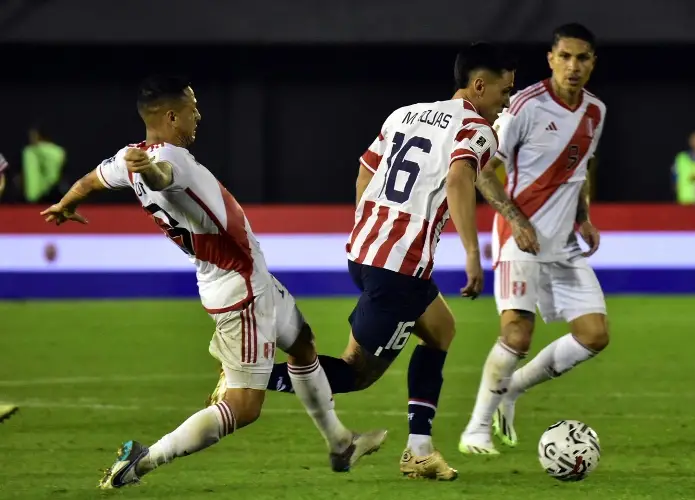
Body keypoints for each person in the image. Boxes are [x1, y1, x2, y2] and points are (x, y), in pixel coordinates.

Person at [39, 75, 386, 490]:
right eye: (192, 108)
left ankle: (339, 443)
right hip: (242, 292)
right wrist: (150, 169)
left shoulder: (128, 158)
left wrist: (68, 202)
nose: (198, 115)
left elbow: (95, 178)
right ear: (171, 116)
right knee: (243, 406)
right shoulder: (167, 159)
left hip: (246, 279)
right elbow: (164, 177)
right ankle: (141, 461)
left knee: (303, 344)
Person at [208, 42, 517, 480]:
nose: (506, 101)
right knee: (356, 374)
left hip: (364, 251)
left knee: (441, 330)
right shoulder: (479, 130)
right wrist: (471, 253)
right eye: (504, 91)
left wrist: (371, 225)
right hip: (399, 268)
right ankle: (249, 377)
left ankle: (419, 450)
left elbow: (365, 171)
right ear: (479, 86)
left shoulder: (405, 113)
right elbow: (459, 179)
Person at [458, 23, 610, 455]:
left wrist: (584, 217)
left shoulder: (596, 111)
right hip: (517, 237)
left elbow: (580, 169)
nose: (573, 66)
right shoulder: (525, 105)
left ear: (592, 62)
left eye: (582, 58)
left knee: (594, 335)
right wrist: (517, 221)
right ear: (551, 59)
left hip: (562, 244)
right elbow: (484, 172)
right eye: (565, 56)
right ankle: (476, 429)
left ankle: (513, 389)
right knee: (517, 335)